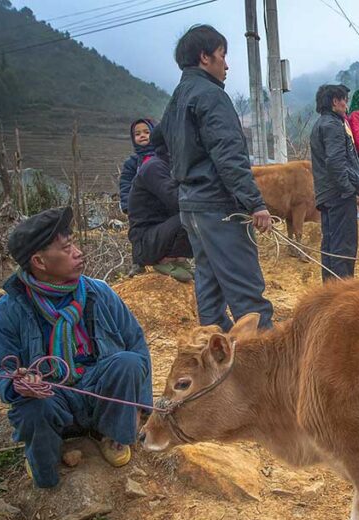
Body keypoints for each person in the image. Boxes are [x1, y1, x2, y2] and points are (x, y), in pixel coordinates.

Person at [0, 207, 151, 488]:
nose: (77, 252)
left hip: (97, 390)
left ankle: (112, 434)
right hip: (52, 397)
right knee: (31, 409)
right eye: (66, 248)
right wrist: (18, 384)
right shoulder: (9, 310)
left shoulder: (99, 293)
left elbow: (136, 341)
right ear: (39, 261)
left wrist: (139, 407)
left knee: (128, 361)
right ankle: (45, 462)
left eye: (73, 243)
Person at [159, 24, 274, 331]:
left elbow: (163, 146)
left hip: (192, 207)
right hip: (219, 207)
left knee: (209, 289)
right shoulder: (211, 96)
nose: (227, 64)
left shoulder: (177, 99)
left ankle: (214, 358)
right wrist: (255, 203)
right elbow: (229, 157)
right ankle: (266, 364)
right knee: (247, 292)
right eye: (223, 55)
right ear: (204, 57)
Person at [310, 83, 359, 282]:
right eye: (344, 99)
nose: (346, 104)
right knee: (343, 248)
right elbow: (336, 162)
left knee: (330, 247)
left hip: (327, 194)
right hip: (338, 195)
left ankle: (330, 292)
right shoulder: (333, 126)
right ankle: (342, 294)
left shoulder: (321, 124)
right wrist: (349, 189)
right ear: (335, 102)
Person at [127, 125, 193, 283]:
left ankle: (178, 258)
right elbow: (177, 199)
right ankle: (164, 260)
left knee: (198, 212)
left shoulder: (169, 165)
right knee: (192, 212)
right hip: (146, 242)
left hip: (159, 234)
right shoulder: (154, 167)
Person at [118, 118, 155, 215]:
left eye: (147, 132)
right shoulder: (131, 163)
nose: (142, 135)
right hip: (140, 207)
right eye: (137, 134)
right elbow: (125, 184)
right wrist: (127, 205)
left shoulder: (163, 157)